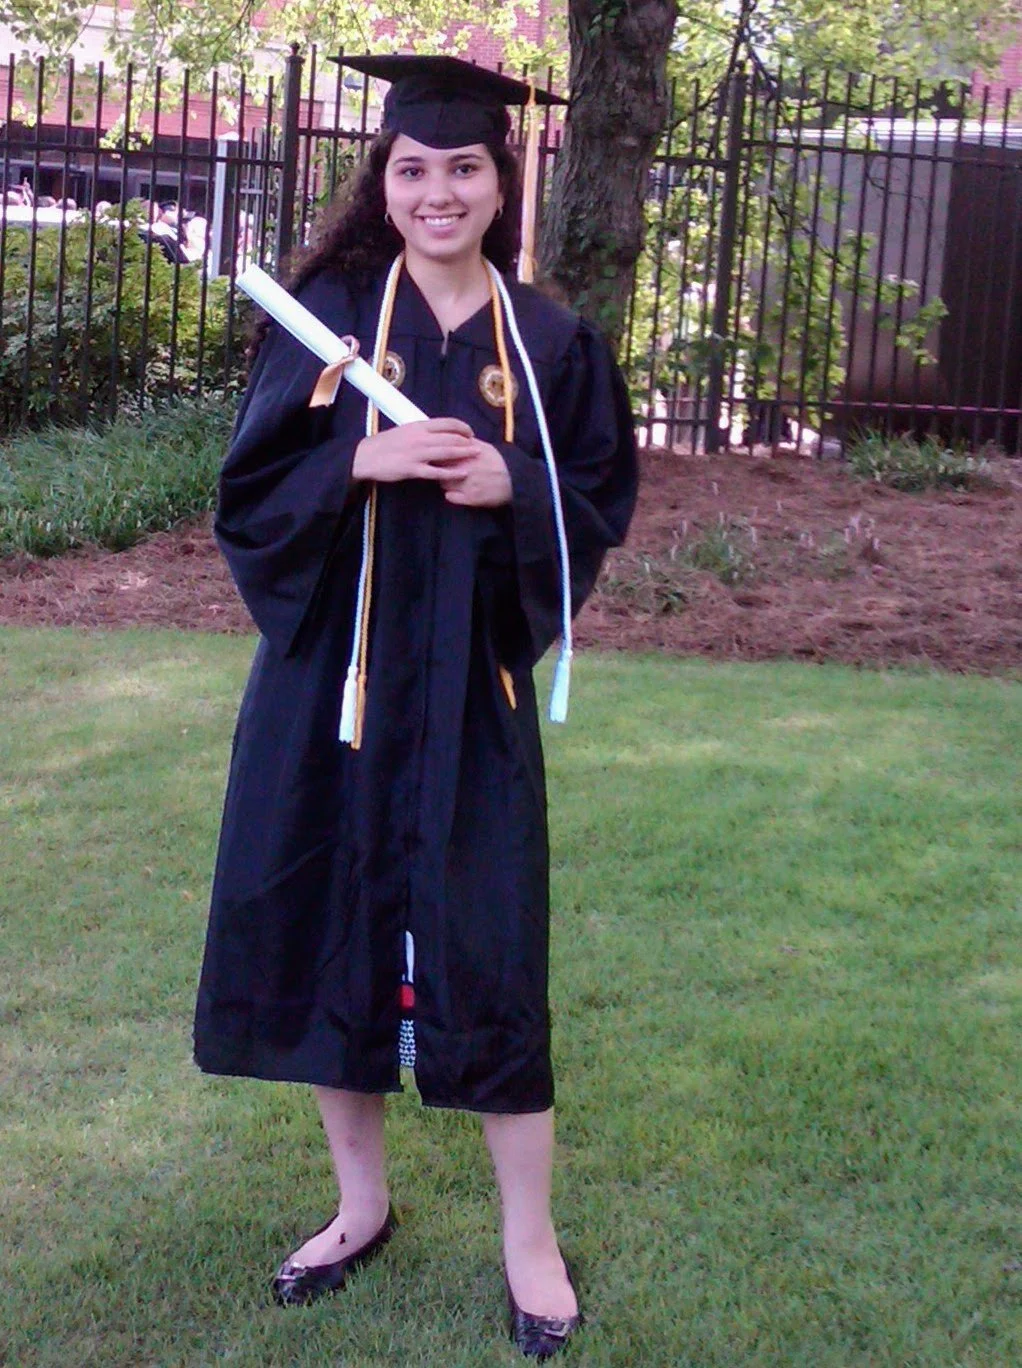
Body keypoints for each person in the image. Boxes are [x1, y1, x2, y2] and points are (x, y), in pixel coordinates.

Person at [193, 54, 637, 1359]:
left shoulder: (549, 344)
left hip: (470, 704)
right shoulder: (327, 319)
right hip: (329, 692)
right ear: (381, 181)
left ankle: (528, 1242)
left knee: (491, 955)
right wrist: (356, 460)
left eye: (462, 168)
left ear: (502, 183)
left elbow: (594, 511)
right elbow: (248, 500)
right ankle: (358, 1205)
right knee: (332, 936)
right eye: (412, 168)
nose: (437, 190)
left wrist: (520, 494)